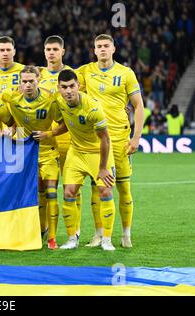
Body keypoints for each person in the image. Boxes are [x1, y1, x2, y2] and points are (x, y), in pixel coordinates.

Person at [78, 34, 144, 248]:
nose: (103, 49)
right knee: (97, 188)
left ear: (114, 49)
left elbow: (139, 106)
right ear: (94, 50)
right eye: (99, 46)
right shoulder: (86, 71)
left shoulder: (126, 73)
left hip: (120, 139)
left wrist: (136, 137)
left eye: (106, 46)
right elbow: (61, 81)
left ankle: (126, 234)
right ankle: (99, 234)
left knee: (123, 188)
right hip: (96, 140)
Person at [47, 69, 117, 251]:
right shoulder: (59, 101)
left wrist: (103, 167)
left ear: (78, 86)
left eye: (72, 86)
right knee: (69, 192)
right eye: (64, 87)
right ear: (59, 88)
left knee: (105, 191)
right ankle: (72, 238)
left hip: (98, 153)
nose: (68, 90)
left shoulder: (92, 108)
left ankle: (107, 240)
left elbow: (105, 139)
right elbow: (66, 124)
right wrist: (51, 133)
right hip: (76, 151)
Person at [0, 66, 61, 250]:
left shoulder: (50, 99)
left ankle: (52, 238)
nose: (27, 85)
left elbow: (64, 124)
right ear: (20, 82)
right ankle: (39, 230)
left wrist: (48, 133)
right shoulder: (12, 97)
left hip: (49, 151)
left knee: (51, 194)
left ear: (38, 80)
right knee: (35, 194)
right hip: (26, 154)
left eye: (31, 81)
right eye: (24, 81)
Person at [37, 35, 84, 245]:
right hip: (47, 142)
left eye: (55, 49)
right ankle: (46, 231)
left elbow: (86, 101)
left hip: (70, 140)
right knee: (47, 189)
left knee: (72, 187)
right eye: (48, 49)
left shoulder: (72, 76)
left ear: (63, 51)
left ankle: (75, 231)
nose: (51, 53)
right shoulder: (38, 75)